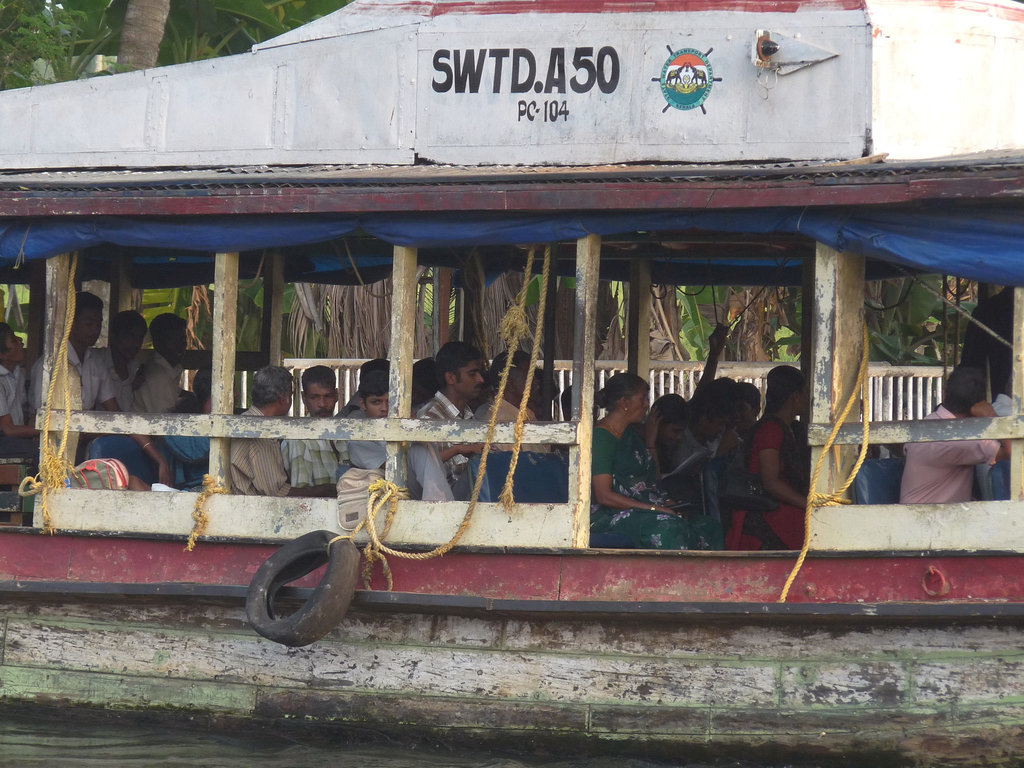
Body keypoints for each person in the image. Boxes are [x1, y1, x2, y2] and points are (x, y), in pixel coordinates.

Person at [29, 292, 171, 484]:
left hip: (84, 443)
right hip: (50, 451)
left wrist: (160, 459)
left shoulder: (94, 363)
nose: (95, 329)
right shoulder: (49, 366)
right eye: (89, 323)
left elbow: (117, 416)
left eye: (99, 323)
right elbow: (45, 425)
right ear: (70, 323)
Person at [589, 373, 722, 550]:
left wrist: (650, 442)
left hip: (643, 508)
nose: (646, 405)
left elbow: (653, 480)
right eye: (643, 398)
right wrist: (653, 509)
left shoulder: (631, 434)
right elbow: (603, 495)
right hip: (610, 514)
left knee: (709, 525)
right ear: (624, 402)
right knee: (668, 527)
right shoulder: (602, 437)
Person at [725, 365, 809, 551]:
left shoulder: (793, 429)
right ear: (795, 396)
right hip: (765, 509)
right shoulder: (770, 430)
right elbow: (771, 483)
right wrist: (808, 504)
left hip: (783, 504)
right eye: (805, 393)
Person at [900, 366, 1009, 504]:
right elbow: (1011, 451)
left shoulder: (928, 421)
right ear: (978, 406)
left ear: (944, 394)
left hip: (916, 515)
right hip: (932, 520)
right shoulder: (960, 439)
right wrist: (993, 418)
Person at [229, 365, 334, 497]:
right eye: (290, 395)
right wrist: (326, 490)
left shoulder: (244, 421)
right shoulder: (261, 434)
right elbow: (278, 492)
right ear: (283, 398)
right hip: (251, 511)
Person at [417, 341, 486, 499]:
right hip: (444, 501)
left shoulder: (468, 415)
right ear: (451, 377)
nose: (481, 379)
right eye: (472, 374)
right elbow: (423, 469)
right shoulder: (429, 418)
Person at [281, 365, 344, 488]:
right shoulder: (300, 438)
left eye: (328, 396)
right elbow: (302, 493)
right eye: (314, 397)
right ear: (304, 398)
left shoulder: (346, 433)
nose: (322, 404)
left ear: (336, 395)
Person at [473, 364, 545, 452]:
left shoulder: (526, 413)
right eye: (528, 376)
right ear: (510, 384)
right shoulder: (501, 422)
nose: (536, 381)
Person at [133, 313, 187, 414]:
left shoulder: (169, 368)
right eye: (173, 342)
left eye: (183, 341)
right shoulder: (158, 376)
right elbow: (166, 422)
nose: (180, 346)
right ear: (158, 344)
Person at [0, 324, 38, 459]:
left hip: (16, 437)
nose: (21, 341)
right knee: (41, 453)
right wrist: (42, 431)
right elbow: (8, 430)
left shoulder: (18, 372)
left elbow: (24, 410)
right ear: (3, 355)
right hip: (4, 438)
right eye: (14, 341)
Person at [96, 310, 147, 412]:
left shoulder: (136, 370)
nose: (136, 343)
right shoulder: (97, 363)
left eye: (140, 338)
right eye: (130, 336)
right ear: (114, 336)